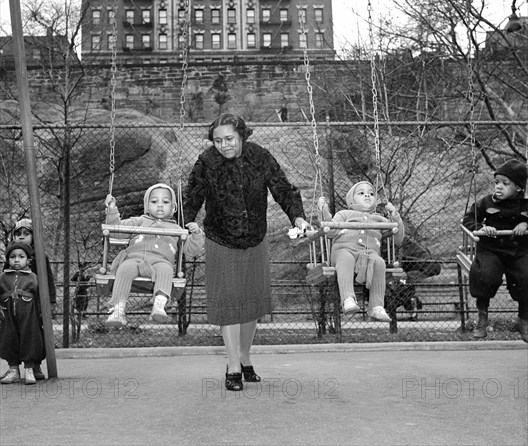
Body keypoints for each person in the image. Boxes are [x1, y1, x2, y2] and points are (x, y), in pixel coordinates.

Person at [183, 113, 310, 392]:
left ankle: (244, 355)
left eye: (229, 139)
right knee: (229, 302)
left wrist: (297, 217)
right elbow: (192, 195)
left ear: (242, 135)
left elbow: (284, 190)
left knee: (251, 302)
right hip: (220, 239)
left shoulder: (260, 157)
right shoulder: (207, 162)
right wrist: (185, 223)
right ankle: (232, 365)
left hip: (255, 237)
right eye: (217, 140)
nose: (224, 145)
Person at [104, 183, 204, 328]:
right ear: (147, 205)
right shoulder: (138, 221)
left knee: (167, 270)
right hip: (134, 259)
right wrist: (111, 210)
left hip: (160, 262)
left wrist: (196, 235)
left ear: (174, 207)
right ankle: (118, 310)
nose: (160, 205)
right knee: (124, 269)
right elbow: (115, 230)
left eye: (165, 202)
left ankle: (159, 305)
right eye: (154, 201)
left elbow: (192, 250)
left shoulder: (176, 229)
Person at [317, 180, 404, 322]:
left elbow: (398, 238)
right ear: (352, 199)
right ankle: (348, 299)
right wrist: (323, 211)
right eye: (361, 193)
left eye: (371, 193)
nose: (367, 196)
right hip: (343, 250)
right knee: (346, 259)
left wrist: (395, 217)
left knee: (379, 263)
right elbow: (330, 231)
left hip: (369, 254)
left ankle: (376, 306)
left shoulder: (379, 219)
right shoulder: (344, 214)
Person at [462, 159, 528, 342]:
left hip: (518, 250)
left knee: (526, 276)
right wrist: (480, 228)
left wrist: (525, 223)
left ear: (519, 188)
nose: (499, 187)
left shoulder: (526, 205)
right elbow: (467, 220)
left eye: (505, 184)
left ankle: (524, 319)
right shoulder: (486, 203)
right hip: (491, 249)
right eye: (496, 182)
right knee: (485, 275)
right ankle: (482, 317)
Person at [1, 218, 55, 381]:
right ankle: (13, 369)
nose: (22, 237)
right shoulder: (12, 256)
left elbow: (48, 280)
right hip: (11, 306)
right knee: (10, 335)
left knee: (34, 334)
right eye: (18, 234)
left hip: (33, 305)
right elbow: (5, 279)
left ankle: (34, 365)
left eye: (26, 233)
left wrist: (50, 302)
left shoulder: (40, 256)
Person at [0, 242, 45, 385]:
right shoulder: (3, 277)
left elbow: (39, 296)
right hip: (8, 314)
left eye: (21, 256)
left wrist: (41, 313)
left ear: (28, 260)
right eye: (12, 257)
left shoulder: (33, 277)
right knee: (8, 338)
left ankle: (29, 369)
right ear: (8, 260)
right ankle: (13, 369)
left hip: (28, 315)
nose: (17, 260)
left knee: (30, 337)